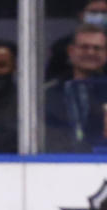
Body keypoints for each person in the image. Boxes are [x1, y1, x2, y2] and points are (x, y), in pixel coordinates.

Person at [46, 23, 107, 152]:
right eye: (84, 47)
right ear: (71, 51)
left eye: (97, 48)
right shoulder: (48, 93)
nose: (91, 52)